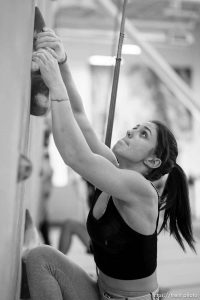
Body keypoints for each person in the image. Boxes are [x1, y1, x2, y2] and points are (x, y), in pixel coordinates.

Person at [26, 28, 196, 300]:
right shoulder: (112, 169)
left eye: (143, 134)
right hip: (100, 290)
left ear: (152, 160)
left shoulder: (140, 189)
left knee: (40, 257)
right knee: (40, 258)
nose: (131, 131)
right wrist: (63, 62)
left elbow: (75, 156)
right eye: (136, 127)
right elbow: (80, 118)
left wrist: (55, 84)